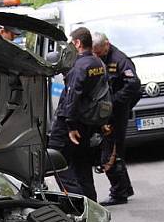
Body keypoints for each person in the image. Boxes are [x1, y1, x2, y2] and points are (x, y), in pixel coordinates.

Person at [49, 27, 107, 201]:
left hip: (70, 125)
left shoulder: (79, 66)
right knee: (82, 165)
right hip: (87, 122)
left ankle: (77, 202)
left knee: (55, 161)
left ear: (77, 43)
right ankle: (91, 204)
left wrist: (70, 125)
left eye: (70, 44)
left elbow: (72, 96)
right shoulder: (98, 63)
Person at [92, 32, 141, 206]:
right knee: (114, 150)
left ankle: (119, 193)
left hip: (115, 114)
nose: (97, 56)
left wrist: (115, 103)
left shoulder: (120, 60)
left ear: (107, 44)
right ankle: (125, 188)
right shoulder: (97, 58)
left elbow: (134, 86)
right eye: (94, 53)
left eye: (99, 52)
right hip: (106, 113)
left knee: (110, 153)